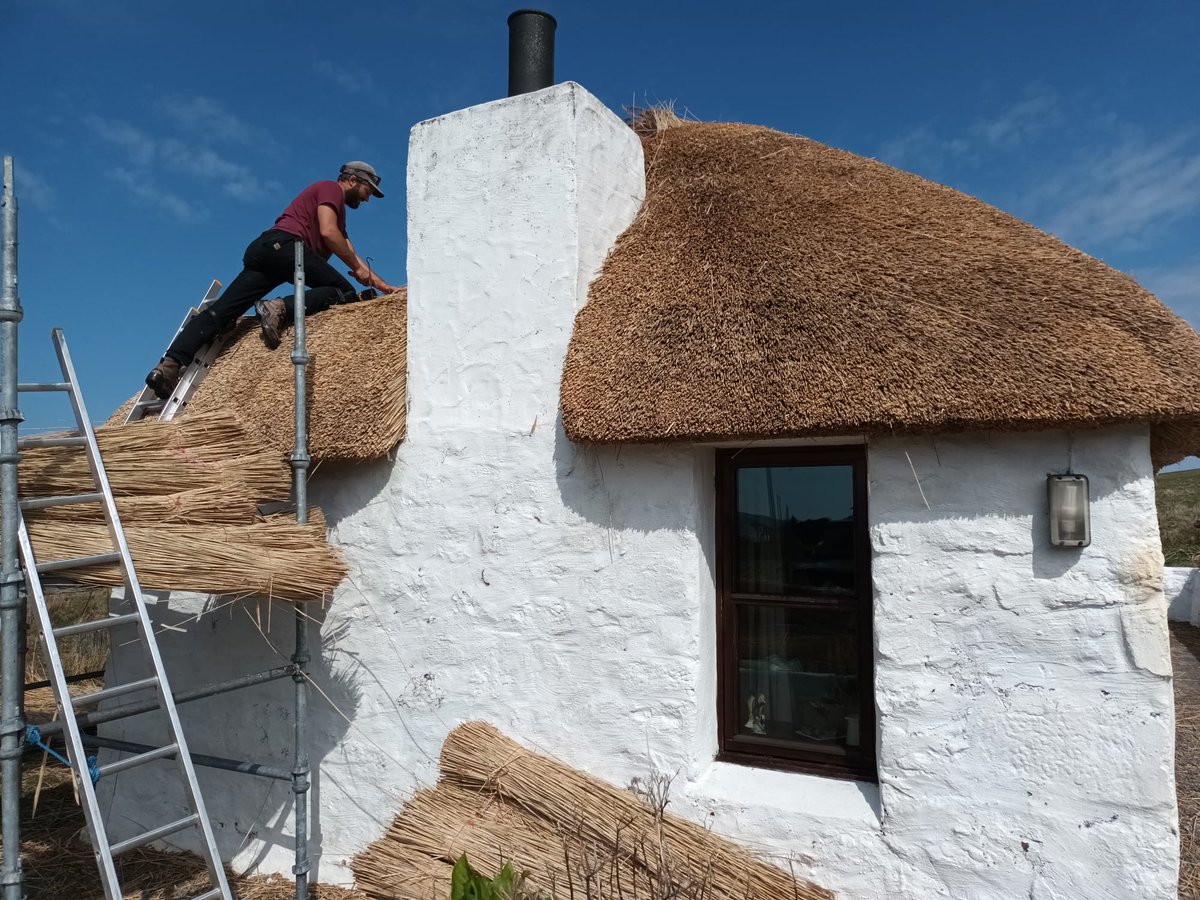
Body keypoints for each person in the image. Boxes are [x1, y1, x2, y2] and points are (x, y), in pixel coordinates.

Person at [145, 161, 401, 399]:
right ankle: (278, 307)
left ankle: (168, 366)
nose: (369, 198)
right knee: (341, 291)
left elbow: (348, 250)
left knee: (222, 312)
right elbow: (328, 232)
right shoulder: (330, 188)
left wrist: (381, 284)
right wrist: (355, 267)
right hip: (288, 246)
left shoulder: (337, 214)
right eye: (369, 190)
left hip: (267, 249)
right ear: (353, 180)